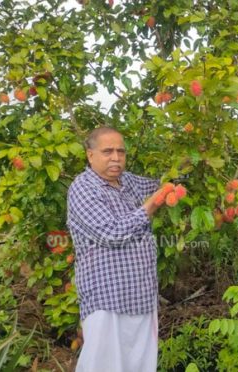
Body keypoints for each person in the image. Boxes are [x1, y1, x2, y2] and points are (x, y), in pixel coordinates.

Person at [66, 127, 167, 372]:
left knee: (140, 364)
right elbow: (112, 233)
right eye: (107, 151)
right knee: (102, 364)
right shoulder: (83, 188)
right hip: (106, 297)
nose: (116, 158)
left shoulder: (129, 181)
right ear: (90, 155)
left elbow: (159, 186)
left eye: (121, 152)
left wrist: (183, 171)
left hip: (141, 294)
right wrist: (151, 206)